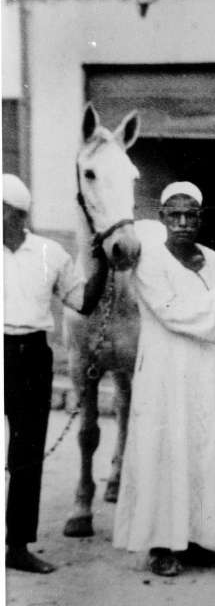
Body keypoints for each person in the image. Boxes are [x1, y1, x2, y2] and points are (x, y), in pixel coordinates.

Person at [112, 181, 215, 577]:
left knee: (205, 452)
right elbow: (172, 312)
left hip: (209, 377)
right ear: (162, 218)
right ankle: (162, 545)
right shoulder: (150, 262)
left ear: (201, 218)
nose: (182, 223)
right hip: (165, 374)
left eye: (190, 215)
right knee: (166, 453)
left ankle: (198, 540)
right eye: (174, 215)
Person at [4, 174, 108, 574]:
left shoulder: (51, 253)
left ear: (14, 214)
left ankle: (17, 547)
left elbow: (82, 302)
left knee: (27, 453)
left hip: (31, 355)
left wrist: (99, 266)